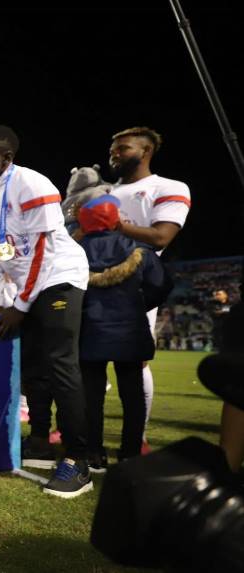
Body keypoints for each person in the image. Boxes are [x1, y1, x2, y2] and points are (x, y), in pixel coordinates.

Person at [0, 125, 92, 498]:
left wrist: (19, 305)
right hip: (31, 284)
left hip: (59, 277)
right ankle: (40, 443)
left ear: (7, 158)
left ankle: (79, 460)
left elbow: (41, 254)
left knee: (62, 366)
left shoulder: (34, 185)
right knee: (33, 368)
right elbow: (2, 247)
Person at [107, 126, 191, 451]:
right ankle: (81, 435)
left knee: (135, 362)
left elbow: (161, 236)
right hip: (93, 281)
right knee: (86, 361)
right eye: (112, 150)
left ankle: (137, 438)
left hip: (136, 285)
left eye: (123, 148)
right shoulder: (105, 191)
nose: (114, 154)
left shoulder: (168, 187)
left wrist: (114, 224)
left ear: (145, 151)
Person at [77, 196, 172, 471]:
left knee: (91, 397)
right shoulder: (139, 250)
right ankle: (130, 454)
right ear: (114, 219)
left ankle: (93, 453)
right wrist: (138, 305)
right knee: (132, 397)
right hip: (130, 332)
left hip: (89, 333)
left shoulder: (74, 251)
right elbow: (162, 286)